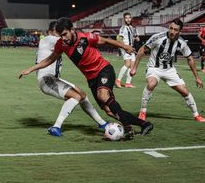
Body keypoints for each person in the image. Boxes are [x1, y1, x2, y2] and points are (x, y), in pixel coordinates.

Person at [19, 18, 153, 139]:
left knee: (102, 95)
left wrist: (125, 46)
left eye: (65, 34)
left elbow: (105, 40)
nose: (63, 38)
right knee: (109, 111)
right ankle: (144, 124)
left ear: (72, 30)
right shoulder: (61, 44)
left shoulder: (85, 37)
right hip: (92, 79)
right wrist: (31, 69)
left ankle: (127, 126)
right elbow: (49, 59)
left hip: (104, 69)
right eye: (61, 35)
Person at [19, 21, 108, 137]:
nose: (62, 36)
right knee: (76, 96)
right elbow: (72, 41)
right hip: (46, 80)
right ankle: (56, 126)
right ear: (52, 32)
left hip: (52, 79)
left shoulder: (50, 40)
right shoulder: (50, 39)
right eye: (59, 33)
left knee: (82, 95)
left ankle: (102, 123)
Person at [130, 19, 205, 122]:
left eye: (175, 30)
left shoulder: (182, 43)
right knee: (151, 84)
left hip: (169, 70)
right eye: (171, 28)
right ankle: (143, 111)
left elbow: (190, 58)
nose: (172, 32)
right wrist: (134, 68)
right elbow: (142, 50)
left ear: (179, 31)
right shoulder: (158, 37)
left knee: (185, 92)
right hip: (154, 68)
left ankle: (196, 115)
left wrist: (197, 77)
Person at [115, 12, 140, 88]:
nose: (128, 19)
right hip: (125, 47)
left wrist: (136, 38)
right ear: (124, 19)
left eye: (129, 17)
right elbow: (120, 39)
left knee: (132, 66)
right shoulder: (123, 28)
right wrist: (125, 47)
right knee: (127, 64)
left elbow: (135, 37)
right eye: (126, 18)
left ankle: (128, 83)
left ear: (131, 18)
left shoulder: (132, 28)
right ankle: (118, 80)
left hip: (131, 48)